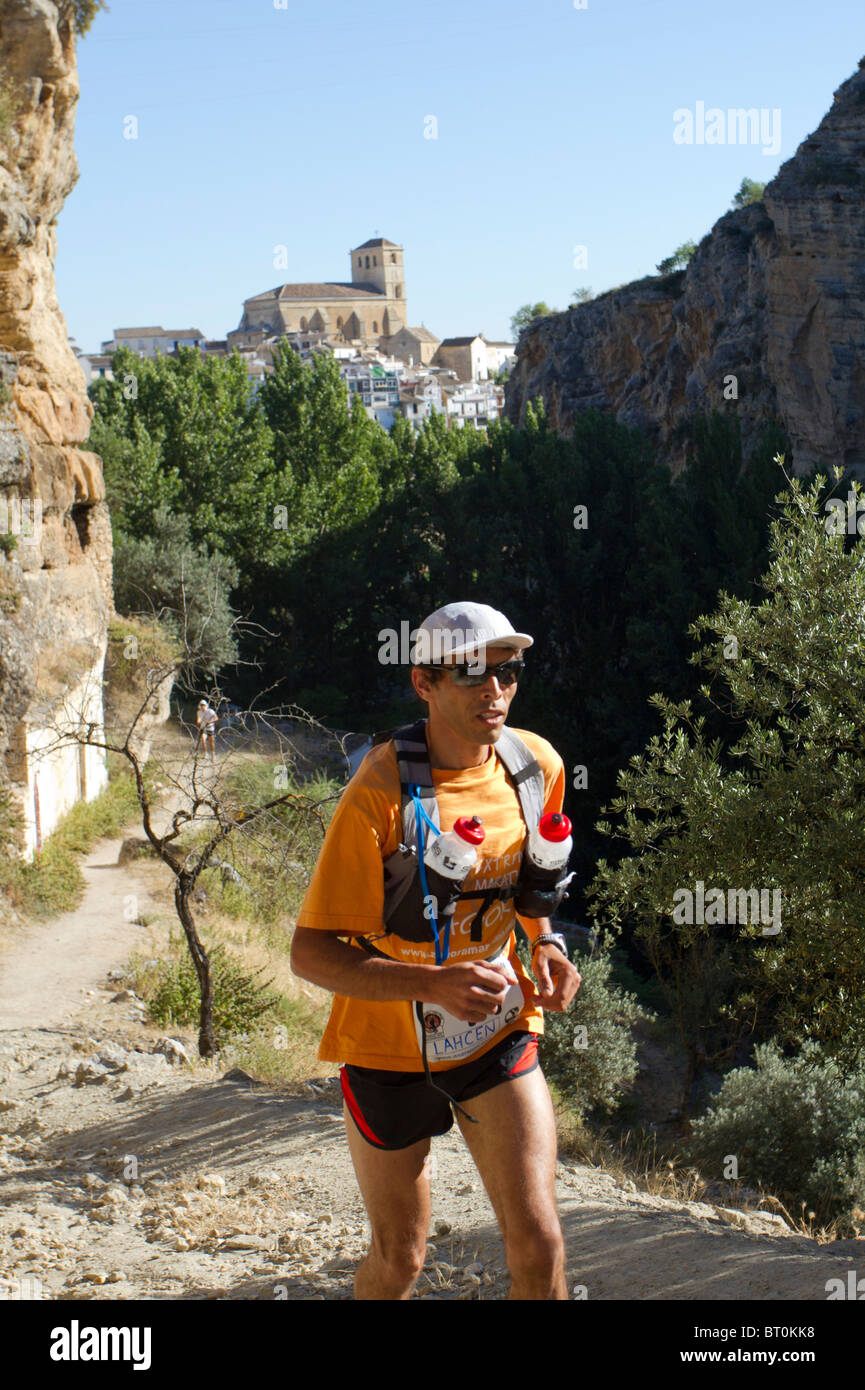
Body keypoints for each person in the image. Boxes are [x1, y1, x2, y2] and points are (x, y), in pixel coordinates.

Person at [290, 601, 581, 1300]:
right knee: (401, 1260)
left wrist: (546, 946)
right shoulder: (377, 795)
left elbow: (531, 893)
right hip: (386, 1051)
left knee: (538, 1244)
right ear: (423, 683)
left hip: (496, 1031)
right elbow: (310, 955)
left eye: (507, 672)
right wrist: (431, 984)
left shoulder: (533, 765)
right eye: (472, 674)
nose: (495, 691)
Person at [195, 698, 218, 764]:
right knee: (203, 740)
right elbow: (198, 719)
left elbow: (216, 718)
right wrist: (198, 722)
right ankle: (205, 754)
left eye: (204, 705)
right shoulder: (199, 712)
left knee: (211, 742)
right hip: (203, 728)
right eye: (201, 705)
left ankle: (213, 755)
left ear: (206, 705)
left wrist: (210, 721)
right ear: (200, 706)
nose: (203, 706)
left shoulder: (210, 711)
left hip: (210, 728)